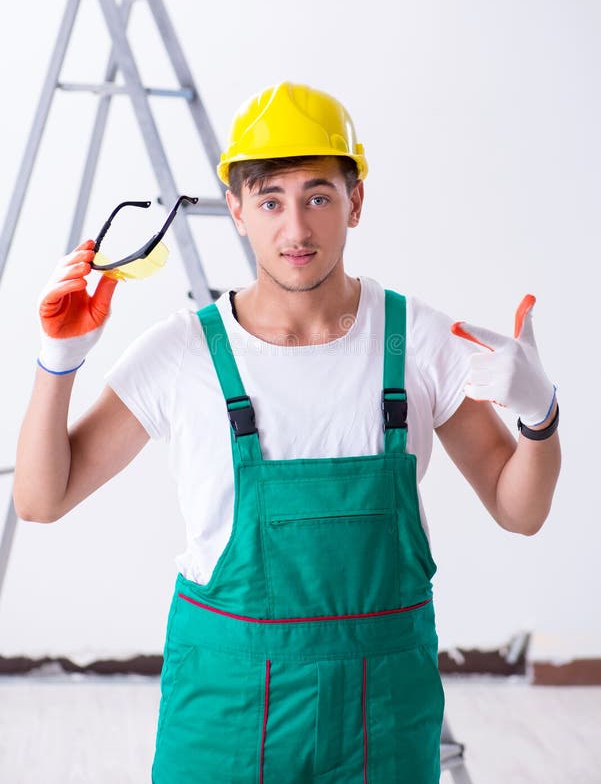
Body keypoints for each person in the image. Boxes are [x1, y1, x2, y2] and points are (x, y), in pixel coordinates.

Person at [14, 81, 561, 783]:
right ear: (236, 210)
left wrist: (539, 414)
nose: (295, 229)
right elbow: (40, 498)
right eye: (270, 200)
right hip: (227, 703)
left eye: (318, 197)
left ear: (354, 202)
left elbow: (520, 510)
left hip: (383, 705)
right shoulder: (183, 354)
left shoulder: (418, 340)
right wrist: (59, 359)